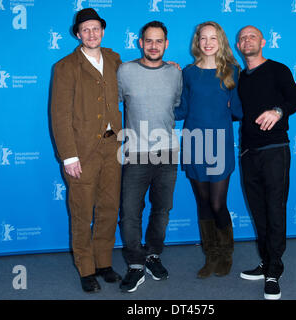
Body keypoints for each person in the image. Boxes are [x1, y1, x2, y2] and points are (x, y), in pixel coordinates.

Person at [50, 8, 123, 293]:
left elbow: (141, 74)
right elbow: (59, 115)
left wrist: (171, 67)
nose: (92, 34)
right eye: (86, 30)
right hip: (82, 151)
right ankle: (86, 267)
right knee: (82, 211)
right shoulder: (66, 66)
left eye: (96, 28)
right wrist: (69, 156)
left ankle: (103, 262)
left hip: (112, 146)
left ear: (102, 31)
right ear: (78, 34)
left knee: (109, 208)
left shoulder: (115, 60)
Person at [236, 25, 296, 300]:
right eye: (242, 38)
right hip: (248, 153)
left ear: (262, 41)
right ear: (238, 46)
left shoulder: (278, 69)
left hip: (275, 150)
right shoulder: (240, 77)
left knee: (275, 209)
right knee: (259, 212)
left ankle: (275, 269)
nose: (246, 40)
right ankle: (266, 262)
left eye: (252, 36)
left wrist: (278, 111)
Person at [174, 21, 243, 279]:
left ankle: (226, 254)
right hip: (193, 141)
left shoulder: (233, 70)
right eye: (203, 38)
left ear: (220, 41)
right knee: (202, 202)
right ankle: (211, 255)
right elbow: (182, 109)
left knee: (217, 202)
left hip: (220, 144)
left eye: (213, 37)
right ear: (197, 42)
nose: (208, 42)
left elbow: (238, 110)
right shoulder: (189, 73)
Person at [117, 21, 182, 293]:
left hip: (167, 153)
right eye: (149, 40)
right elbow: (114, 103)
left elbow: (175, 105)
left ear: (166, 44)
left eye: (159, 41)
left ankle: (153, 254)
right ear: (140, 42)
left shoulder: (175, 73)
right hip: (135, 153)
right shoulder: (125, 71)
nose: (154, 45)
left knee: (162, 210)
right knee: (130, 212)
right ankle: (135, 265)